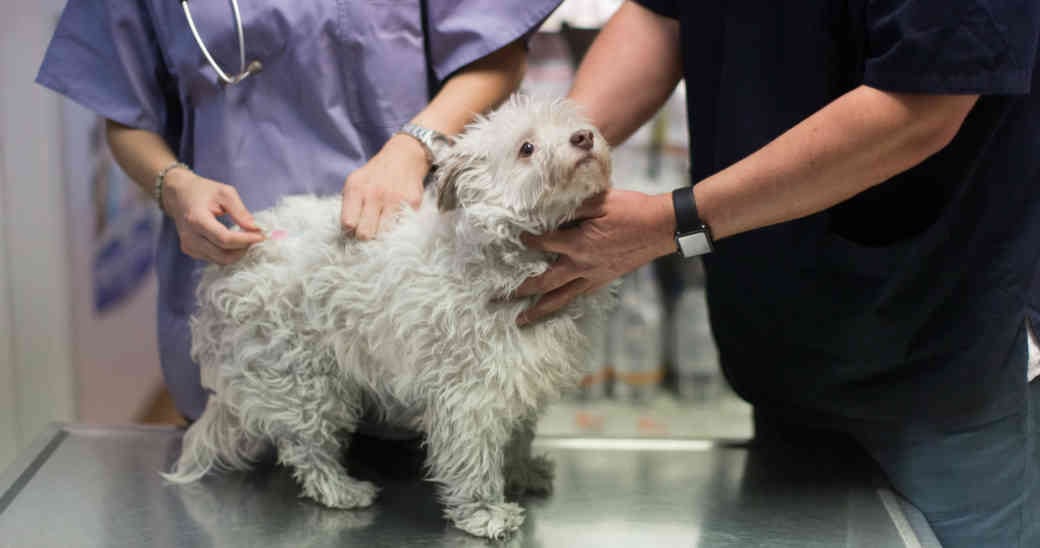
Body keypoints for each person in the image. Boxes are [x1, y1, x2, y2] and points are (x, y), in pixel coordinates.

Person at [514, 2, 1040, 546]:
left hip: (941, 359)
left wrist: (672, 223)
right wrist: (545, 157)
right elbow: (661, 15)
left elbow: (925, 101)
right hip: (783, 351)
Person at [36, 0, 561, 422]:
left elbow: (498, 53)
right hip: (249, 277)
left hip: (410, 280)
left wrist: (415, 145)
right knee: (253, 472)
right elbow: (123, 111)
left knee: (444, 455)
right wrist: (172, 184)